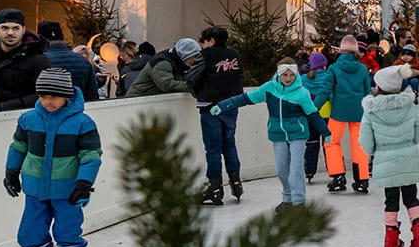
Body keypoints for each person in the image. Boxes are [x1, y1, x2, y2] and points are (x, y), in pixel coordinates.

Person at [3, 67, 102, 247]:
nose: (48, 101)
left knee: (67, 229)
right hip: (35, 187)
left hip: (67, 189)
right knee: (28, 231)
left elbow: (90, 155)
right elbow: (18, 146)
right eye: (44, 96)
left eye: (55, 96)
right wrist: (11, 171)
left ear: (67, 95)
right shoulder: (28, 119)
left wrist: (84, 184)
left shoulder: (82, 123)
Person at [214, 58, 322, 211]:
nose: (289, 78)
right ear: (279, 75)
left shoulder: (301, 92)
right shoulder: (269, 88)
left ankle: (299, 202)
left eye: (292, 75)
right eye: (285, 75)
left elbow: (313, 114)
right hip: (278, 134)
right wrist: (223, 105)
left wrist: (326, 132)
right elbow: (246, 98)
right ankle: (287, 199)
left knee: (296, 168)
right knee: (282, 169)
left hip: (298, 133)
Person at [364, 63, 419, 247]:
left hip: (386, 162)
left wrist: (378, 151)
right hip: (408, 159)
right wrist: (408, 143)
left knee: (390, 201)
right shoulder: (409, 106)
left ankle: (390, 241)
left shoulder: (371, 110)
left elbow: (366, 142)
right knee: (412, 199)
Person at [188, 26, 246, 206]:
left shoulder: (206, 55)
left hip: (210, 105)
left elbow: (191, 77)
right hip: (231, 104)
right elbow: (239, 76)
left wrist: (198, 93)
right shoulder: (235, 54)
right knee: (229, 143)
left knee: (213, 148)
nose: (203, 46)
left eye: (204, 42)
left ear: (211, 40)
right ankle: (236, 182)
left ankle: (214, 187)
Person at [315, 35, 375, 194]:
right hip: (359, 112)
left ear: (341, 51)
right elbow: (366, 91)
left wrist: (313, 109)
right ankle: (362, 180)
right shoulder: (362, 68)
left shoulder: (334, 68)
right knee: (359, 145)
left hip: (338, 113)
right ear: (356, 51)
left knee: (331, 142)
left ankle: (338, 177)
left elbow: (325, 91)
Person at [0, 7, 50, 111]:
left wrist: (6, 107)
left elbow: (43, 94)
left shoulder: (38, 59)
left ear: (23, 30)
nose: (10, 33)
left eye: (16, 28)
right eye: (5, 28)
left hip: (18, 115)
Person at [300, 52, 334, 185]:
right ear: (324, 65)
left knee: (311, 143)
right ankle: (333, 171)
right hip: (327, 114)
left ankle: (309, 171)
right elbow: (331, 95)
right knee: (329, 145)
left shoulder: (304, 79)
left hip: (310, 115)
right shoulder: (328, 77)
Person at [124, 38, 197, 98]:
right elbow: (167, 85)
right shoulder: (163, 63)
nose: (195, 60)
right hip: (138, 101)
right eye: (193, 56)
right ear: (185, 54)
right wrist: (192, 86)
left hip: (150, 100)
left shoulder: (179, 64)